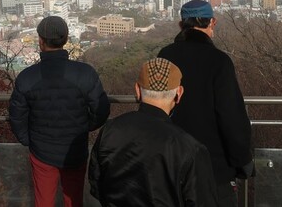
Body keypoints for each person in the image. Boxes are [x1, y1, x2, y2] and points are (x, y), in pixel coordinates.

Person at [157, 0, 253, 206]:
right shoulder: (219, 61)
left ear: (181, 25)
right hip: (213, 167)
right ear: (212, 22)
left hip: (171, 163)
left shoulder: (165, 56)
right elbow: (231, 116)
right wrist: (242, 159)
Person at [89, 57, 220, 206]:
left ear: (137, 90)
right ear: (179, 93)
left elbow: (96, 185)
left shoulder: (110, 130)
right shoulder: (190, 148)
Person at [8, 15, 110, 207]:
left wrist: (28, 139)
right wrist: (85, 127)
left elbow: (17, 116)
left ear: (40, 41)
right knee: (74, 200)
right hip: (75, 148)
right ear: (65, 39)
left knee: (43, 201)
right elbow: (101, 109)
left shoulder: (27, 77)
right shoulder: (85, 73)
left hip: (41, 150)